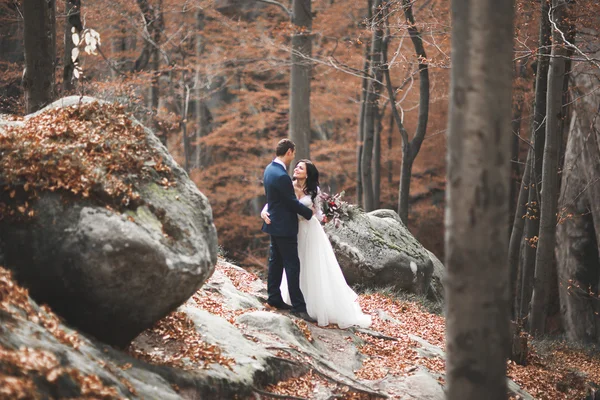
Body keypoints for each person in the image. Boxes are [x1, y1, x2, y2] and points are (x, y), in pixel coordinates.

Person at [262, 159, 371, 329]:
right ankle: (293, 300)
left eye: (301, 168)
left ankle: (311, 303)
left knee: (308, 264)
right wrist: (264, 211)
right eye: (296, 166)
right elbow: (274, 202)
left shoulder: (314, 190)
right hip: (290, 228)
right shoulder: (287, 184)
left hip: (308, 230)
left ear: (308, 173)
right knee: (293, 263)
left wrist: (323, 218)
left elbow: (317, 211)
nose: (296, 169)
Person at [262, 139, 315, 322]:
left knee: (275, 262)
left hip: (274, 224)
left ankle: (274, 298)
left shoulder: (269, 169)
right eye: (294, 153)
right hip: (284, 226)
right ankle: (299, 308)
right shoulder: (282, 176)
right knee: (292, 265)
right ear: (290, 152)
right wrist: (309, 213)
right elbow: (290, 202)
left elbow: (273, 198)